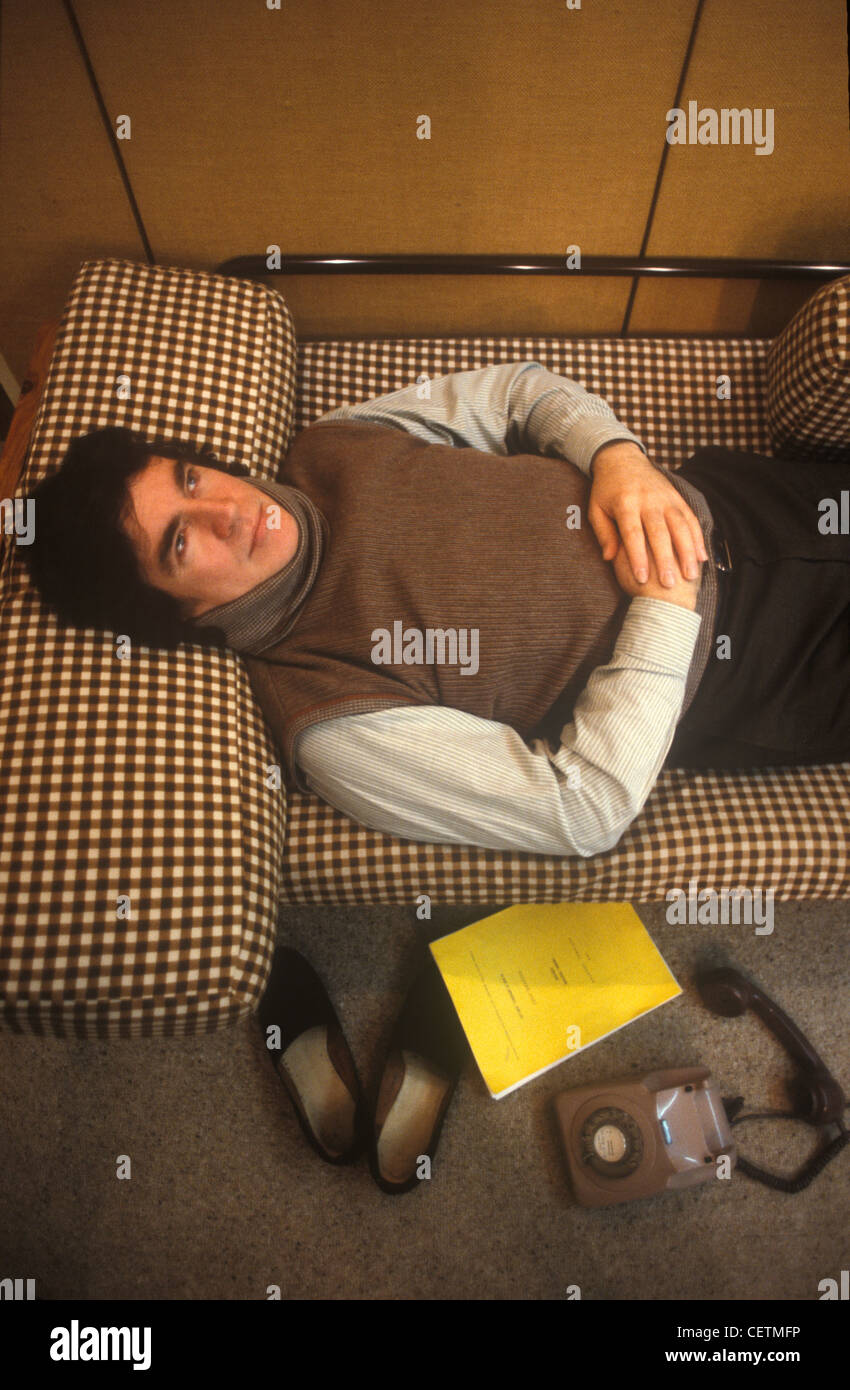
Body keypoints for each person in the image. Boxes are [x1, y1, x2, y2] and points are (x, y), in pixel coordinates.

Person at [21, 361, 850, 1189]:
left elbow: (523, 393)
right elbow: (583, 811)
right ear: (179, 615)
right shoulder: (329, 715)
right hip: (772, 661)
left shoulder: (330, 443)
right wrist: (668, 604)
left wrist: (618, 458)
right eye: (180, 540)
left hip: (739, 495)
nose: (228, 509)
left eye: (191, 478)